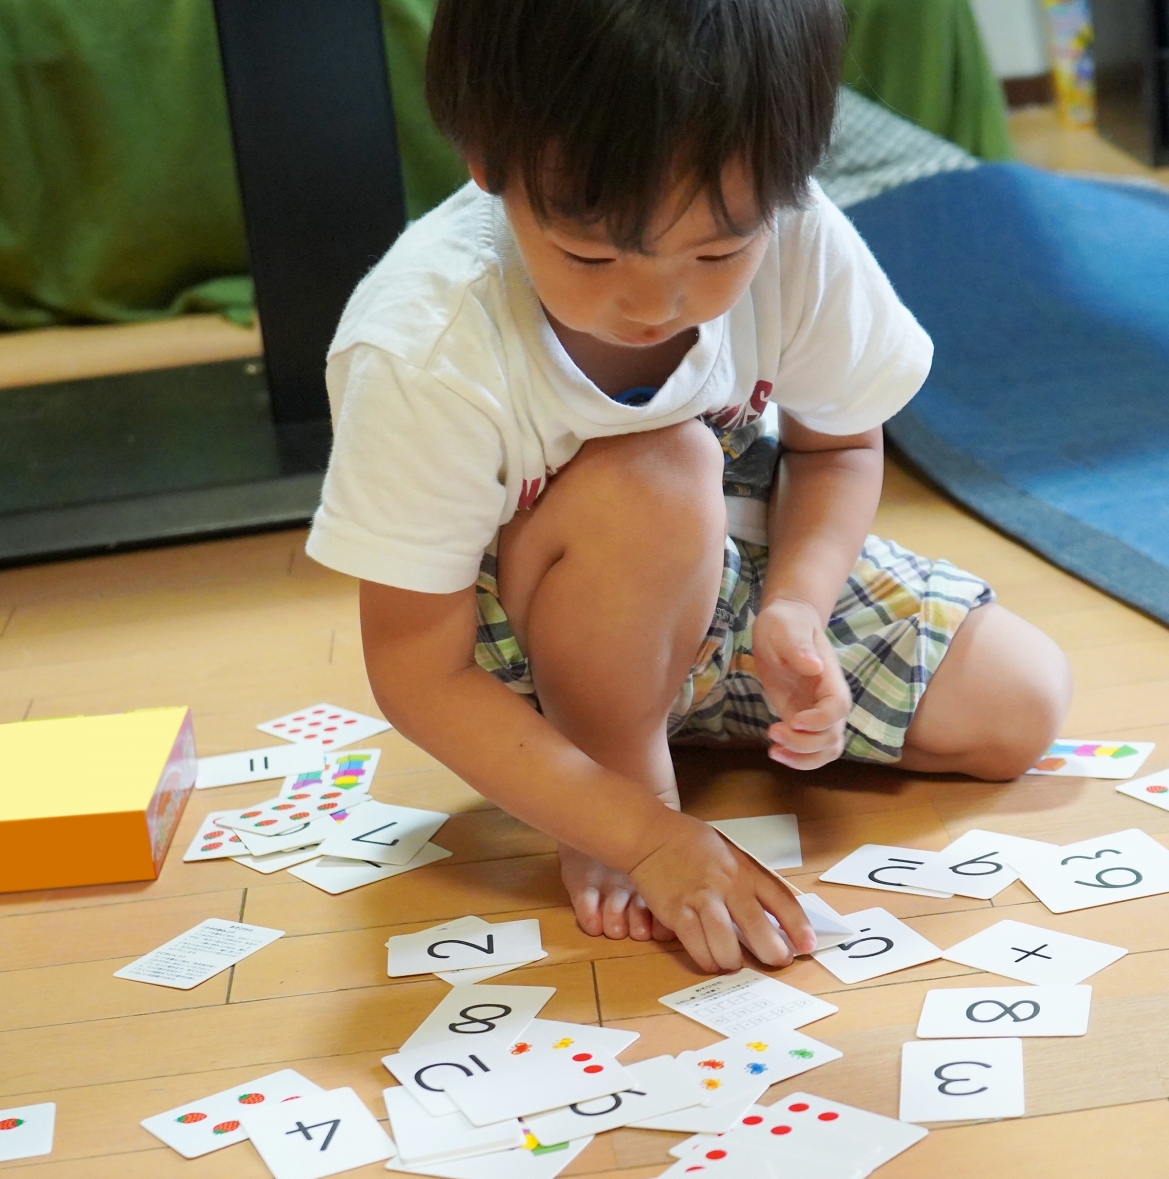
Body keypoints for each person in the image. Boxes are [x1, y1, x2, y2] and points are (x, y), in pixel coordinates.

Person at [304, 0, 1072, 975]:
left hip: (724, 580)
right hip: (529, 642)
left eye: (718, 253)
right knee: (661, 470)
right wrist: (643, 832)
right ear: (490, 164)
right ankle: (616, 770)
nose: (656, 301)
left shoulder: (798, 233)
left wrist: (797, 604)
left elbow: (839, 448)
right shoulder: (424, 343)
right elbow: (418, 669)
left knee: (1022, 700)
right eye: (591, 254)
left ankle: (681, 715)